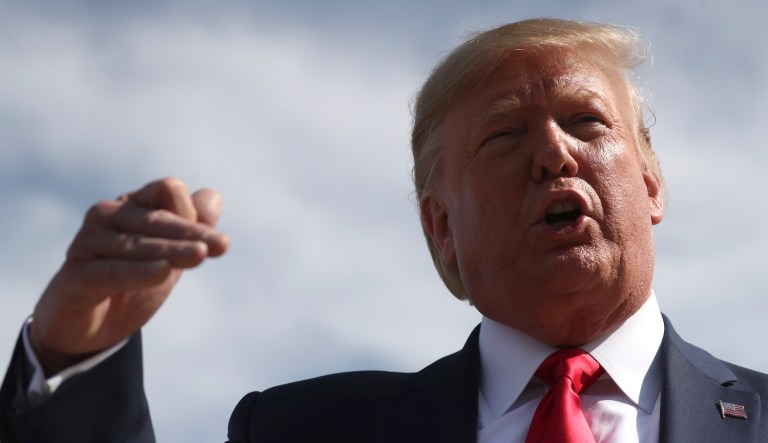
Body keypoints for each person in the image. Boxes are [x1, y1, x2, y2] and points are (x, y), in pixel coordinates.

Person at [1, 18, 767, 443]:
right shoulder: (299, 431)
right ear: (441, 229)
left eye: (586, 122)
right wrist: (77, 352)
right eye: (504, 136)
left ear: (651, 183)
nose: (553, 152)